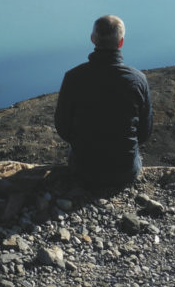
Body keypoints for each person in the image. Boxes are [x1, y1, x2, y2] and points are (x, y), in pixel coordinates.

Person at [54, 14, 153, 190]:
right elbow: (144, 133)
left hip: (82, 169)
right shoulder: (138, 80)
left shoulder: (73, 77)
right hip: (125, 171)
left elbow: (63, 128)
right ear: (121, 42)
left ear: (93, 39)